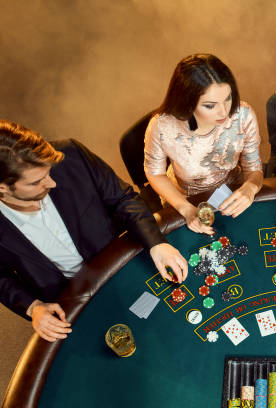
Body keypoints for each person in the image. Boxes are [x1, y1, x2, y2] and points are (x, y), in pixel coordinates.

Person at [0, 120, 188, 341]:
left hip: (119, 262)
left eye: (48, 172)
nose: (51, 183)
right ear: (3, 188)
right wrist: (33, 307)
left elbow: (123, 199)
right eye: (37, 182)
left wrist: (157, 243)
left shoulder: (71, 154)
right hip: (69, 297)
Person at [144, 54, 263, 234]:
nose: (224, 111)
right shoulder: (162, 126)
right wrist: (185, 208)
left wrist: (250, 187)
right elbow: (155, 174)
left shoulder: (243, 114)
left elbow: (253, 166)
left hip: (232, 189)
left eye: (228, 98)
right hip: (184, 198)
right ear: (188, 102)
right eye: (210, 105)